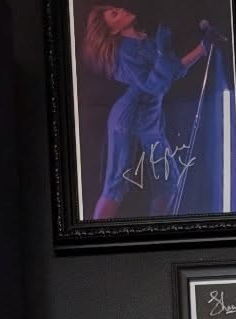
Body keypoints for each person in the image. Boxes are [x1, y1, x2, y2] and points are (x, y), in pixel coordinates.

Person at [80, 7, 212, 220]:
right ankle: (94, 234)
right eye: (114, 14)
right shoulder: (124, 52)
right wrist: (162, 52)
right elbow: (152, 86)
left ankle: (155, 231)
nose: (121, 9)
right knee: (116, 186)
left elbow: (171, 71)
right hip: (129, 116)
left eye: (116, 8)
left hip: (150, 115)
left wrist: (202, 49)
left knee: (168, 182)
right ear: (113, 30)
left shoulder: (145, 41)